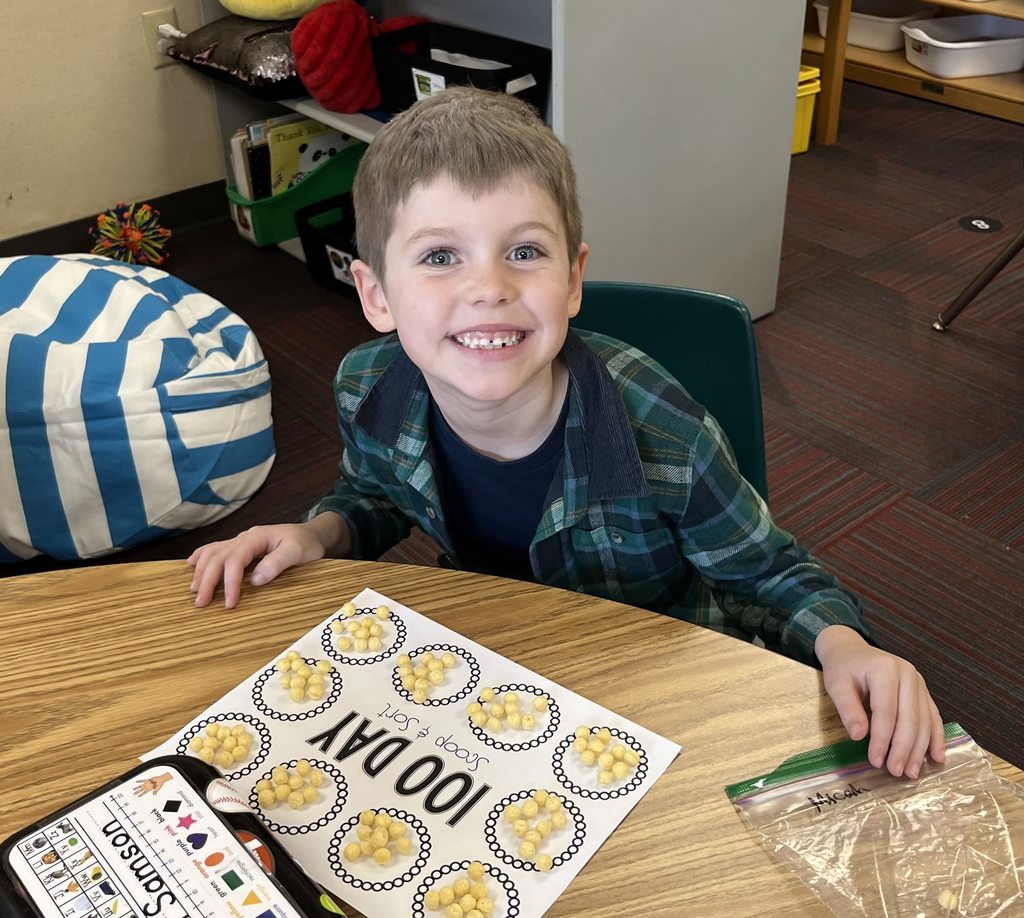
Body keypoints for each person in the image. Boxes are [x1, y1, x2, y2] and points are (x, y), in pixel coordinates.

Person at [189, 86, 944, 779]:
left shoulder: (665, 434)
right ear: (376, 293)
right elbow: (374, 495)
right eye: (441, 257)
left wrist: (846, 645)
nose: (489, 288)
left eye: (524, 252)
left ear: (573, 279)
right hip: (489, 667)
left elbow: (768, 576)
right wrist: (316, 535)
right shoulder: (366, 385)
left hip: (650, 679)